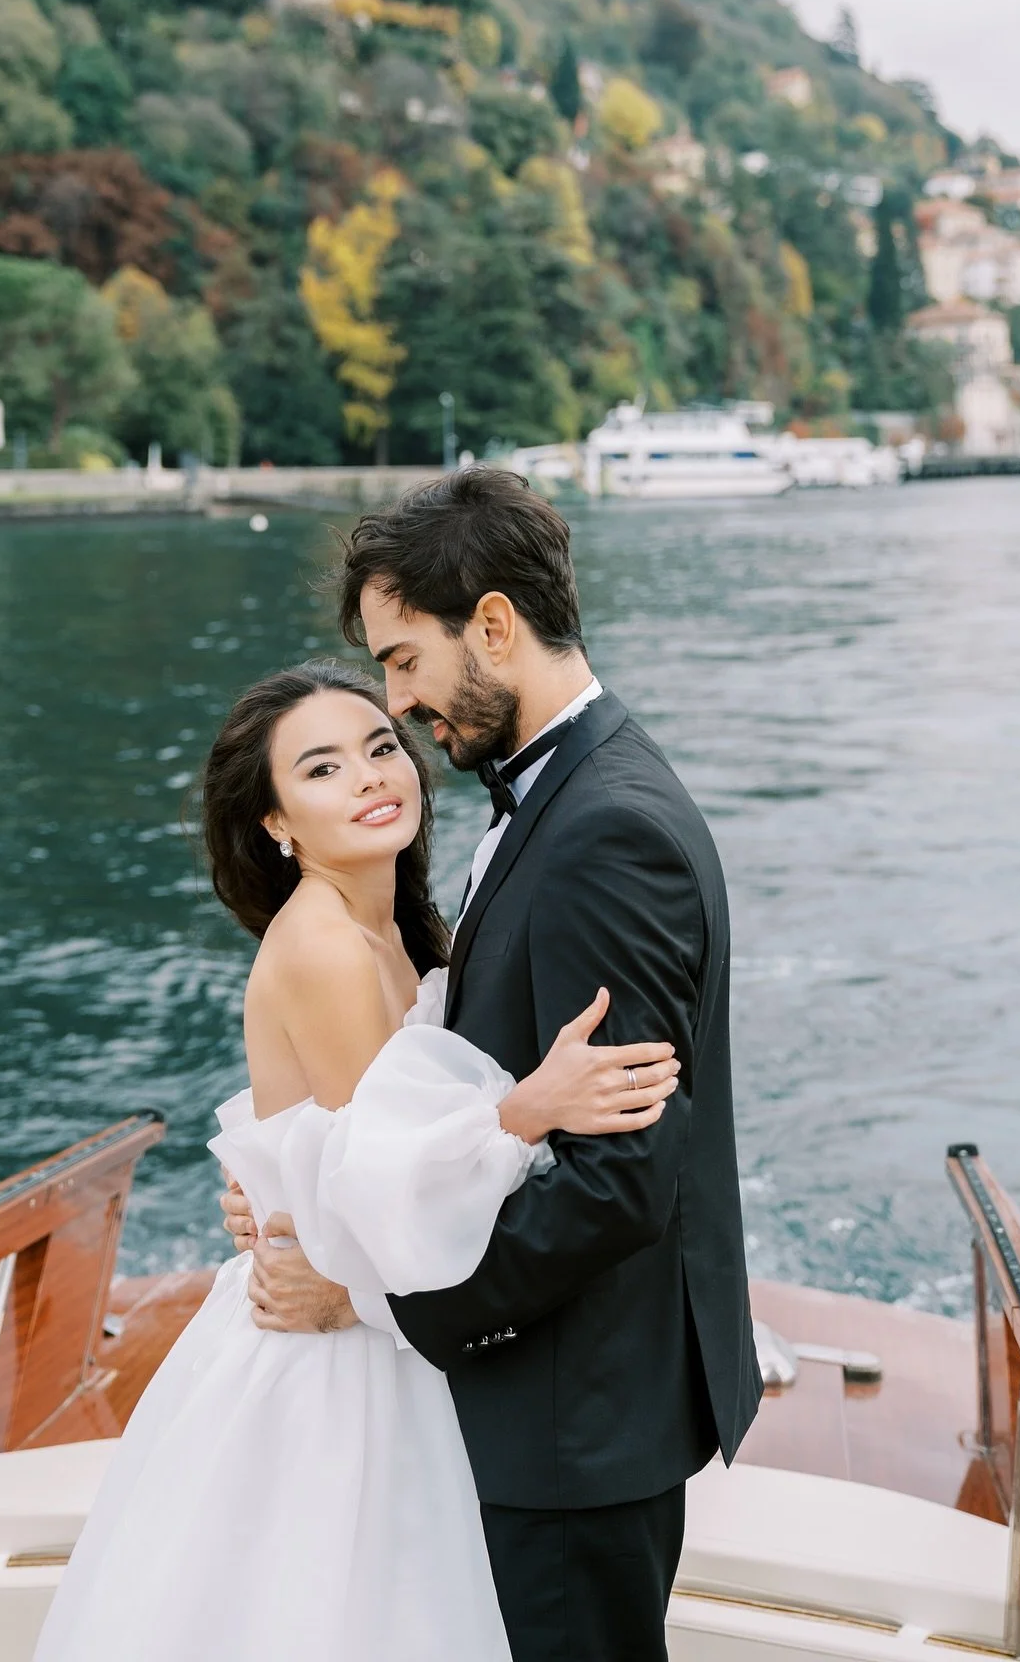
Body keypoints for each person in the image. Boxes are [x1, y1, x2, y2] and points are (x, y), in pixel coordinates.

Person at [33, 659, 680, 1662]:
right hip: (331, 1356)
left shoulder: (397, 930)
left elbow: (342, 1137)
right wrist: (527, 1109)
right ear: (276, 823)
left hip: (372, 1320)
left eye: (381, 748)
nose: (373, 778)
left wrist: (270, 1177)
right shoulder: (328, 948)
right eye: (324, 769)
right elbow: (388, 1182)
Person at [223, 467, 762, 1662]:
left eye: (405, 660)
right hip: (546, 1405)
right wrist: (291, 1176)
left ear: (496, 627)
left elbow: (617, 1184)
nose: (399, 703)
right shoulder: (561, 797)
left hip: (569, 1421)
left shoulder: (604, 832)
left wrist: (371, 1302)